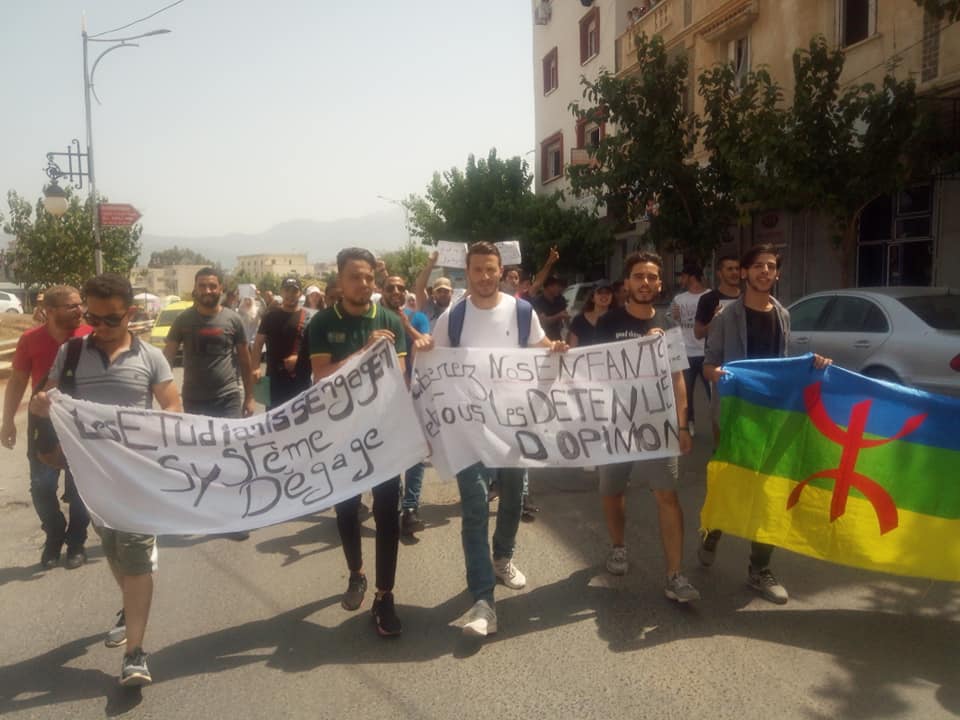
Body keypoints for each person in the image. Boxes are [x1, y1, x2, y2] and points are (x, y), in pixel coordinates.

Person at [30, 273, 182, 687]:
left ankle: (135, 652)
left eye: (110, 320)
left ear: (130, 314)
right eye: (91, 319)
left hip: (136, 478)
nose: (98, 328)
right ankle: (129, 602)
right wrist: (42, 406)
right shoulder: (72, 353)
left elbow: (172, 405)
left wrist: (147, 431)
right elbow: (48, 397)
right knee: (113, 551)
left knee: (132, 554)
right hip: (90, 478)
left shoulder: (151, 357)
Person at [416, 241, 566, 638]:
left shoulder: (521, 311)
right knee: (476, 507)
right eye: (477, 270)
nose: (484, 276)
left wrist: (554, 348)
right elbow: (435, 363)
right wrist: (424, 347)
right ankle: (483, 600)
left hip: (515, 427)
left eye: (491, 269)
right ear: (468, 273)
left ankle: (503, 557)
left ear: (502, 271)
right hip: (468, 431)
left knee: (513, 498)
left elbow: (540, 350)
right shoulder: (455, 315)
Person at [700, 244, 831, 604]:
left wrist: (814, 364)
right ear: (744, 273)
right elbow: (708, 364)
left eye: (770, 267)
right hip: (735, 416)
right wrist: (721, 375)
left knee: (772, 491)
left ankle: (760, 569)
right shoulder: (727, 317)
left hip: (773, 417)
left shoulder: (784, 315)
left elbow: (784, 366)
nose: (763, 272)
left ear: (777, 274)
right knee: (729, 483)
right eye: (756, 266)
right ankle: (713, 527)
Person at [308, 248, 408, 637]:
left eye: (369, 277)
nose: (364, 284)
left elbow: (398, 376)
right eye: (355, 277)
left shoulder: (389, 319)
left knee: (387, 513)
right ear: (340, 280)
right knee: (347, 510)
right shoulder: (321, 323)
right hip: (341, 436)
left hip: (383, 434)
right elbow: (321, 377)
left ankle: (385, 596)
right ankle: (356, 573)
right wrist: (365, 351)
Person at [591, 252, 699, 602]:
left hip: (659, 424)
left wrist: (683, 425)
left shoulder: (669, 325)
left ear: (660, 283)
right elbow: (591, 370)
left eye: (652, 277)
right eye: (639, 276)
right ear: (627, 284)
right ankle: (618, 546)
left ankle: (675, 575)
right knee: (611, 491)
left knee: (667, 496)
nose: (645, 283)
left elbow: (678, 377)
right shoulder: (607, 323)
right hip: (616, 424)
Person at [2, 285, 91, 569]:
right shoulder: (30, 339)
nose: (80, 310)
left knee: (81, 488)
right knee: (41, 486)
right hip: (43, 422)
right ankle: (54, 533)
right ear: (50, 311)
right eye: (72, 306)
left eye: (81, 305)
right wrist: (7, 423)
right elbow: (16, 381)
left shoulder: (91, 336)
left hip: (82, 424)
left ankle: (76, 540)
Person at [380, 274, 432, 536]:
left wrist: (406, 326)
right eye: (391, 288)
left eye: (401, 288)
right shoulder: (372, 317)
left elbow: (427, 346)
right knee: (387, 452)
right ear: (382, 291)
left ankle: (410, 509)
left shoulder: (418, 317)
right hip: (380, 399)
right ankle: (393, 499)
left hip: (413, 395)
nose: (397, 292)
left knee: (416, 452)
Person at [251, 277, 312, 410]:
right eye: (287, 290)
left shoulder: (308, 318)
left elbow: (314, 347)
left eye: (294, 291)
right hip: (275, 381)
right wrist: (255, 367)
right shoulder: (270, 317)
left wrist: (299, 358)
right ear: (281, 292)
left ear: (300, 294)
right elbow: (258, 344)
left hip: (299, 380)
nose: (290, 294)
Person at [670, 263, 711, 437]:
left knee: (714, 393)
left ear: (691, 277)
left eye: (683, 276)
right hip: (685, 353)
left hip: (707, 353)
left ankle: (720, 424)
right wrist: (675, 317)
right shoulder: (679, 299)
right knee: (686, 392)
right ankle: (689, 423)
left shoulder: (710, 296)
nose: (681, 280)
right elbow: (672, 324)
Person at [567, 279, 613, 348]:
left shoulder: (618, 320)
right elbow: (573, 348)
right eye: (600, 292)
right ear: (592, 298)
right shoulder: (578, 320)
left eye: (607, 293)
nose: (604, 295)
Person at [414, 252, 453, 328]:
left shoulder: (456, 308)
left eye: (446, 291)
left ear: (452, 292)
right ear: (433, 293)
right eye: (439, 291)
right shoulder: (427, 307)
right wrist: (430, 265)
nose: (442, 294)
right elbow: (419, 287)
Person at [532, 276, 569, 341]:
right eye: (557, 286)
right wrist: (559, 315)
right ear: (549, 287)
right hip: (542, 337)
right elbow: (544, 321)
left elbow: (566, 318)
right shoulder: (538, 301)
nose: (559, 289)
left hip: (557, 336)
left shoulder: (560, 299)